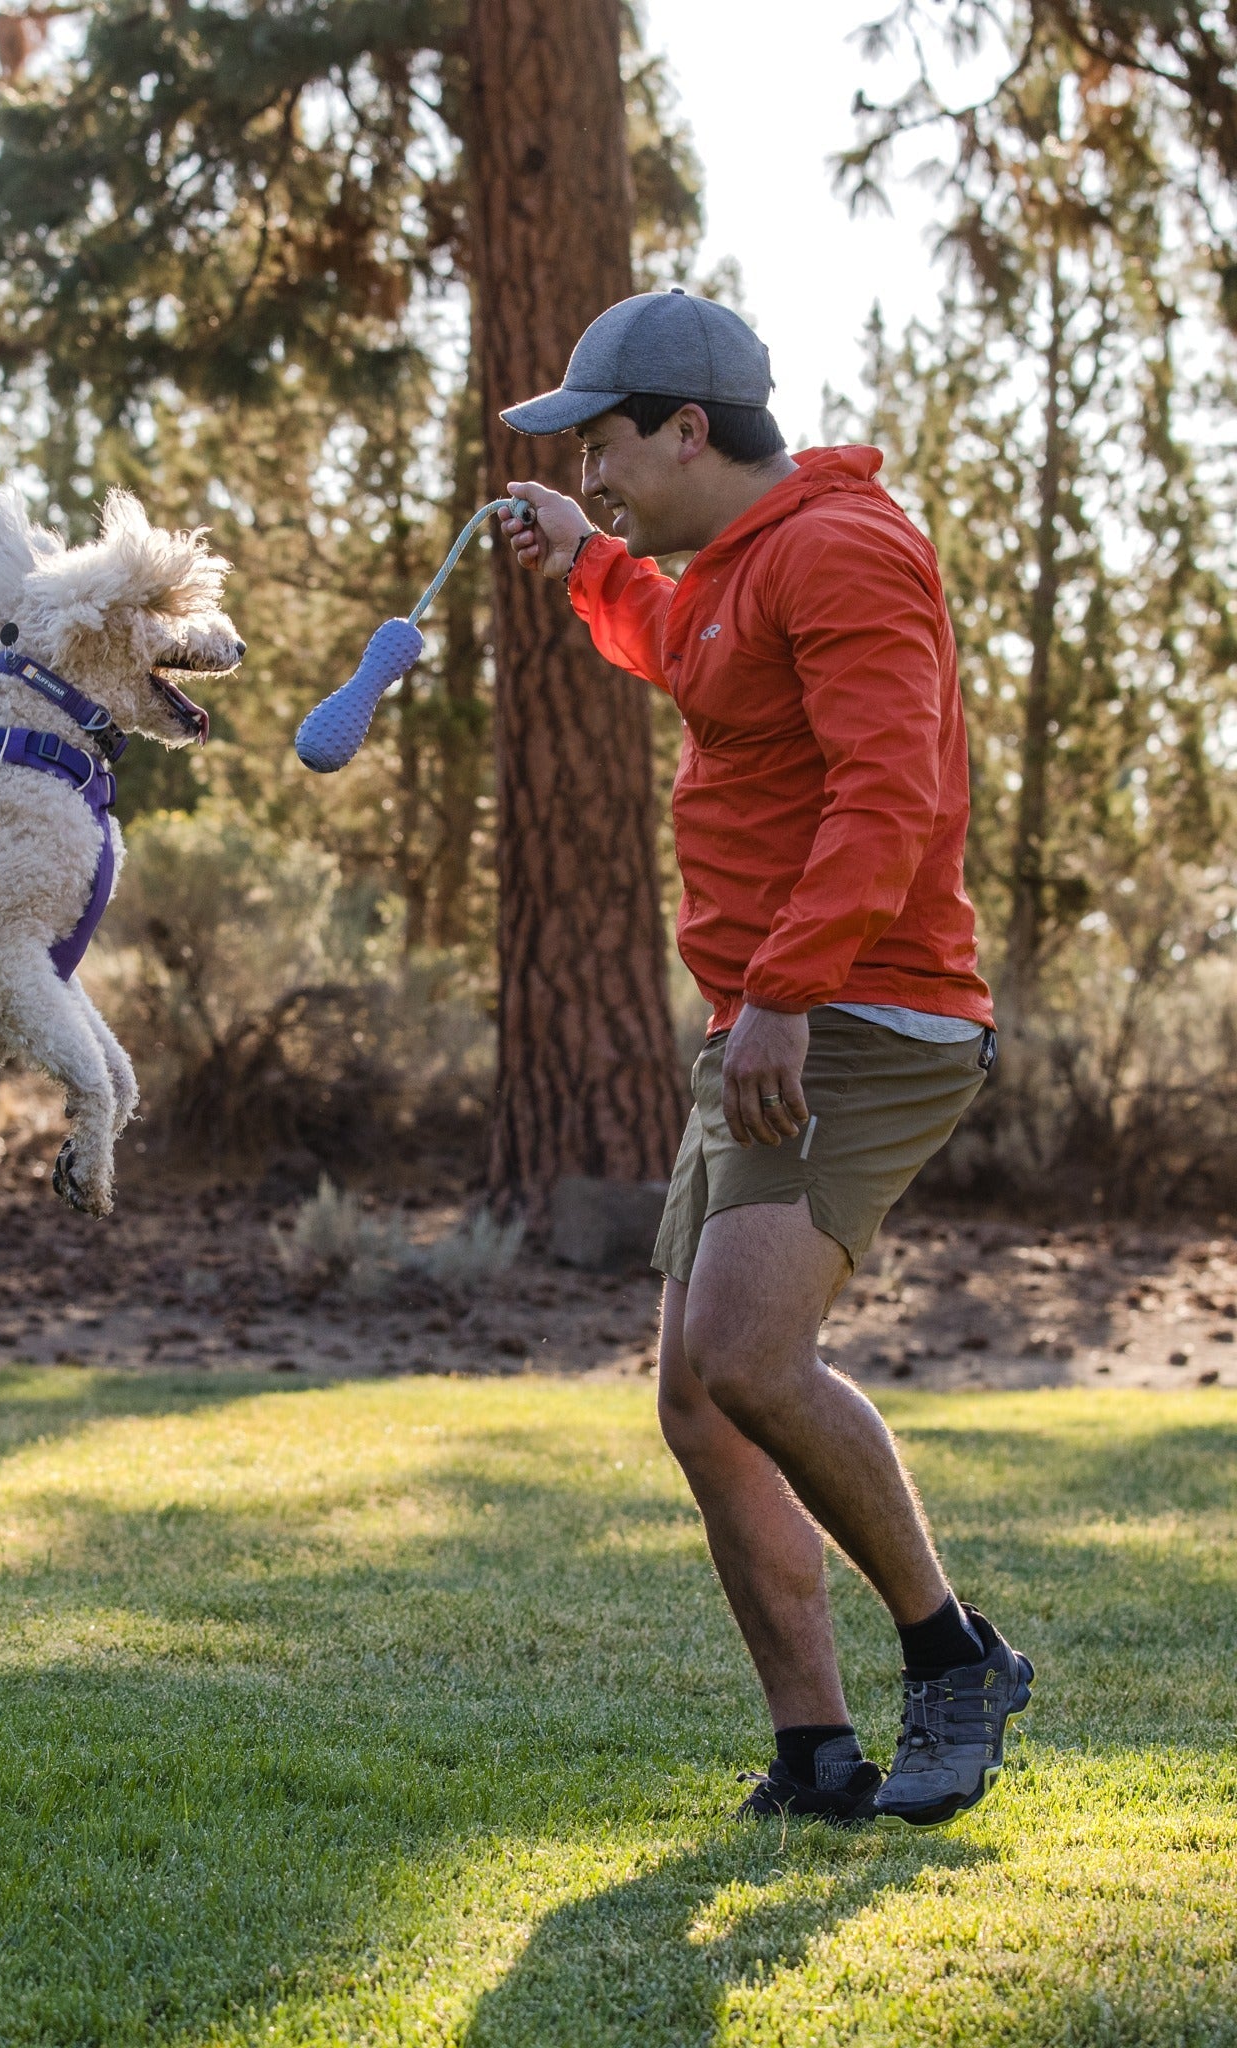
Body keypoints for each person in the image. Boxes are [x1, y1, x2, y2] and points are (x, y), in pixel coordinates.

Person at [499, 287, 1033, 1828]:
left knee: (746, 1357)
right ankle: (816, 1751)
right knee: (696, 1402)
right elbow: (686, 649)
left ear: (686, 427)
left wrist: (790, 991)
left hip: (864, 1008)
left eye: (602, 446)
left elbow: (894, 790)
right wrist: (588, 559)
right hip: (774, 1018)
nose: (591, 471)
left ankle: (954, 1658)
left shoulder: (846, 549)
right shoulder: (734, 570)